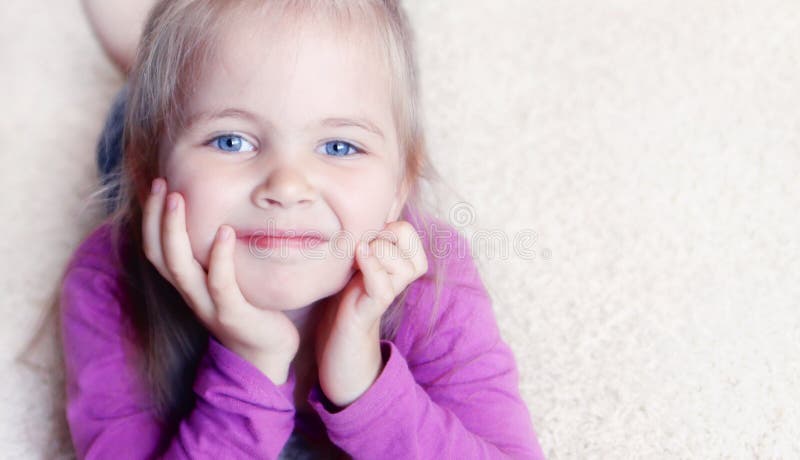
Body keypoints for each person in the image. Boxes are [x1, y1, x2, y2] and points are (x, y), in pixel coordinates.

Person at [60, 0, 546, 458]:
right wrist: (251, 361)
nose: (288, 186)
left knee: (211, 83)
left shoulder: (431, 278)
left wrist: (365, 383)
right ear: (150, 175)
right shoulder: (106, 281)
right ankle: (147, 70)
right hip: (139, 154)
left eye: (339, 147)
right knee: (133, 118)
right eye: (230, 140)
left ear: (401, 186)